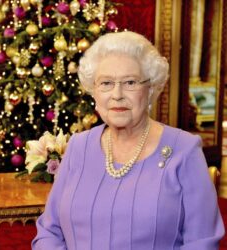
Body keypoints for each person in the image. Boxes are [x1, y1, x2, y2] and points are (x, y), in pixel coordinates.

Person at [32, 31, 224, 249]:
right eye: (106, 83)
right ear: (93, 92)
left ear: (150, 89)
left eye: (130, 82)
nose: (117, 94)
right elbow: (49, 230)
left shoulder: (184, 151)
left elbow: (202, 243)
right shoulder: (78, 146)